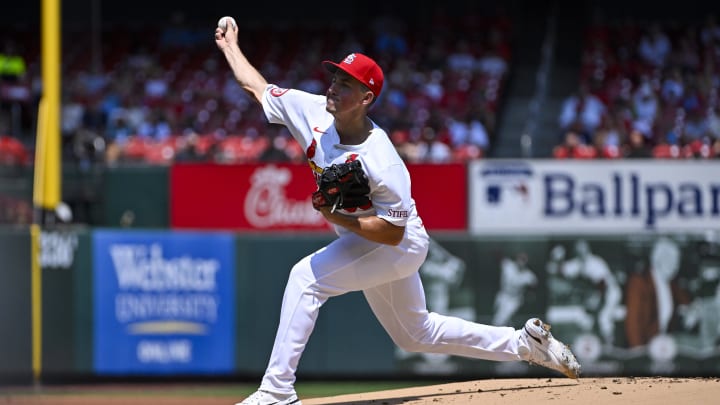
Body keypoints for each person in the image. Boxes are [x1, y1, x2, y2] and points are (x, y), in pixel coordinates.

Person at [214, 19, 580, 405]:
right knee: (415, 334)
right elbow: (255, 87)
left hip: (399, 244)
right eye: (335, 77)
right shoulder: (312, 111)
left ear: (366, 97)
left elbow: (392, 234)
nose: (333, 87)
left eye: (345, 83)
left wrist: (337, 217)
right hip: (366, 240)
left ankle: (276, 391)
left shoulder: (382, 159)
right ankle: (526, 343)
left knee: (306, 279)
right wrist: (230, 47)